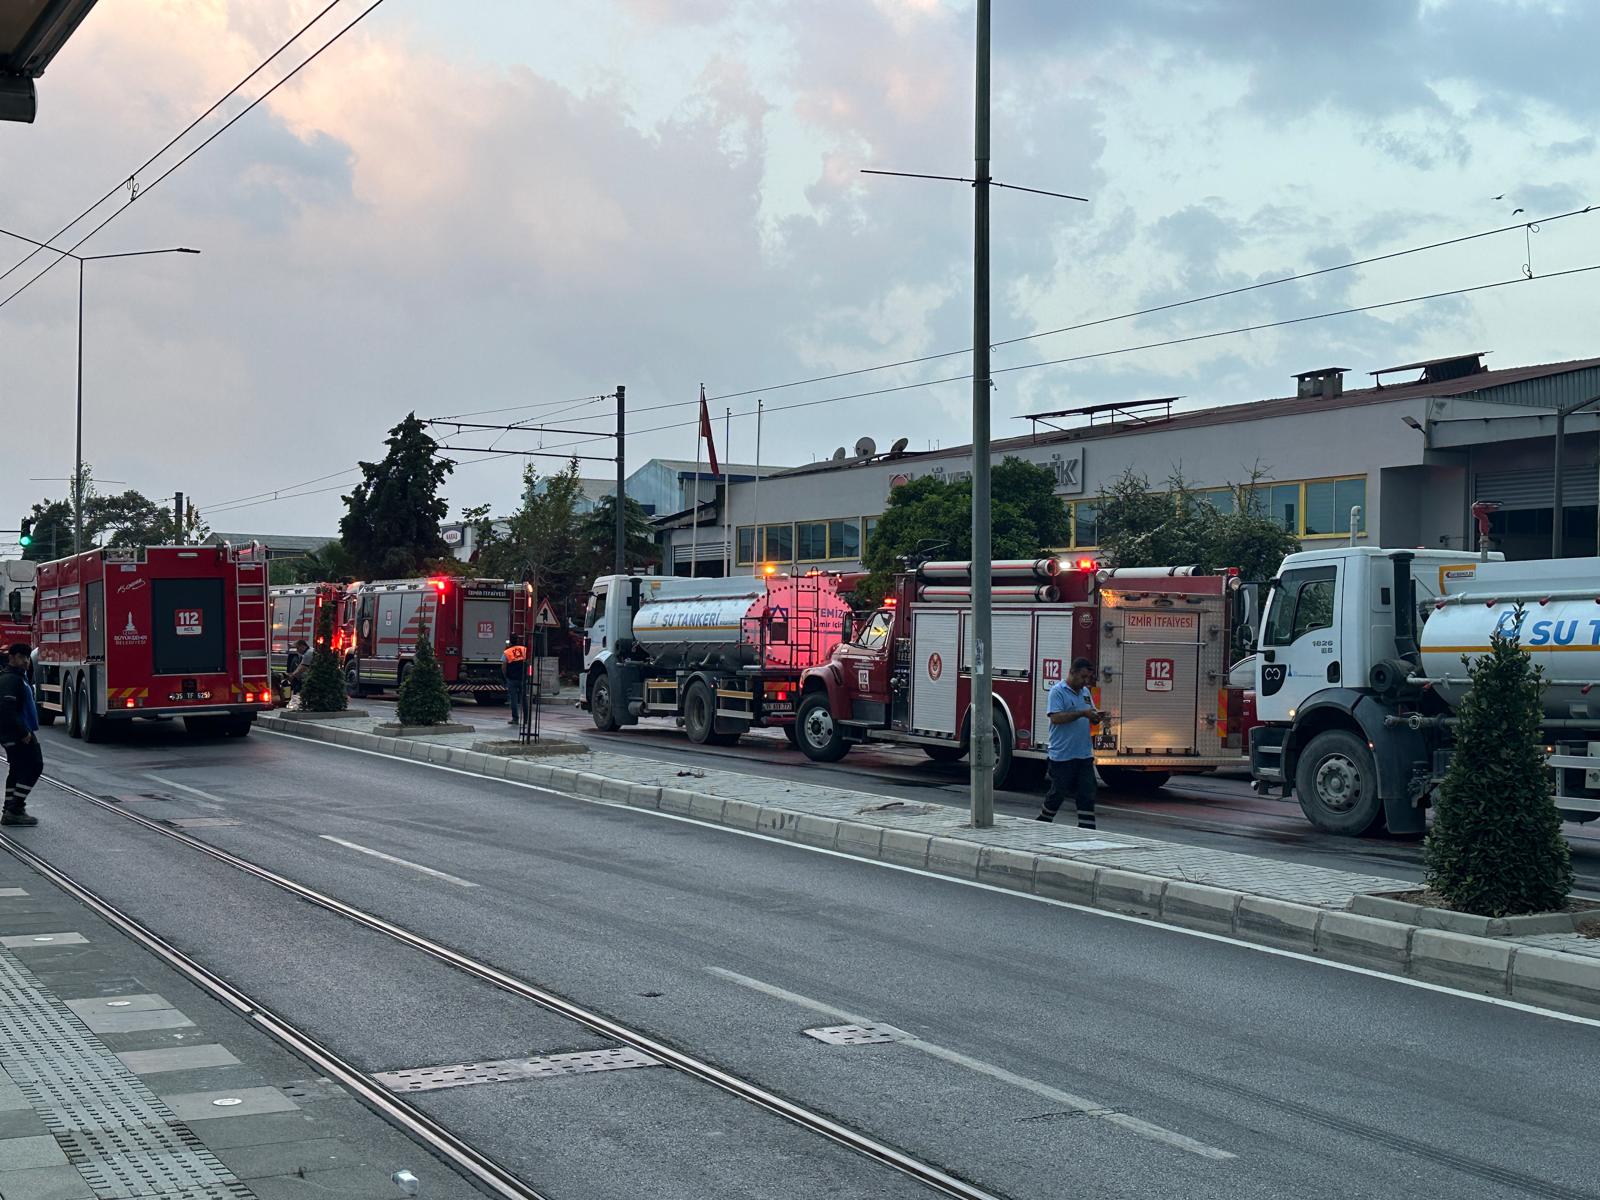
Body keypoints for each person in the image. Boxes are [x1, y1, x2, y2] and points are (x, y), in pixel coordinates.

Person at [1036, 657, 1107, 830]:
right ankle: (1042, 822)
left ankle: (1087, 829)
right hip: (1062, 754)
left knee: (1087, 792)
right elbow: (1056, 717)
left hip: (1083, 754)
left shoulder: (1085, 692)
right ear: (1072, 672)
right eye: (1082, 677)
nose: (1085, 682)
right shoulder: (1058, 691)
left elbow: (1089, 712)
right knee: (1058, 792)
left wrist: (1096, 717)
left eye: (1088, 678)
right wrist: (1082, 713)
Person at [0, 643, 43, 827]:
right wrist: (23, 731)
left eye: (27, 657)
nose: (26, 661)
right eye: (22, 657)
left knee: (17, 768)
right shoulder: (11, 679)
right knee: (34, 765)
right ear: (12, 657)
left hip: (13, 731)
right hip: (16, 732)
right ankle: (15, 809)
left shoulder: (18, 676)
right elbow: (7, 709)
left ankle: (9, 808)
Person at [503, 641, 529, 725]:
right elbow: (529, 663)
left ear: (510, 643)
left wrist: (506, 676)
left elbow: (503, 666)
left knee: (513, 699)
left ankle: (515, 719)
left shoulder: (507, 652)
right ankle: (526, 719)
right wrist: (528, 675)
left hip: (512, 678)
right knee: (524, 699)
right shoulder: (523, 649)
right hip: (522, 678)